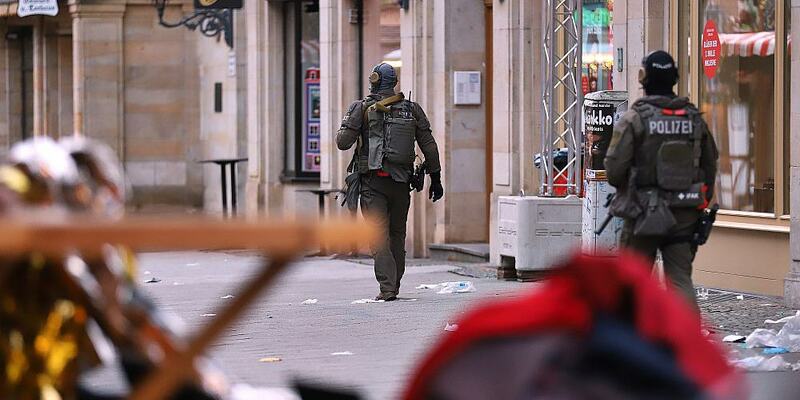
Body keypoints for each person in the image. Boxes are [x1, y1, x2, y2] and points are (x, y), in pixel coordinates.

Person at [604, 51, 718, 310]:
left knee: (633, 281)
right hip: (685, 213)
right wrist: (701, 199)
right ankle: (686, 342)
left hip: (643, 214)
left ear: (643, 78)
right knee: (679, 280)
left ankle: (632, 342)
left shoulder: (635, 119)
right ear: (674, 78)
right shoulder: (693, 118)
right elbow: (710, 163)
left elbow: (613, 169)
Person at [336, 62, 444, 301]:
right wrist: (435, 178)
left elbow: (343, 142)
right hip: (401, 183)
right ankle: (394, 283)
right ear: (394, 83)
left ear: (373, 80)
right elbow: (429, 146)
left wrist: (349, 121)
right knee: (397, 234)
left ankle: (387, 288)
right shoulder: (412, 109)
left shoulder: (361, 107)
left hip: (372, 183)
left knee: (378, 236)